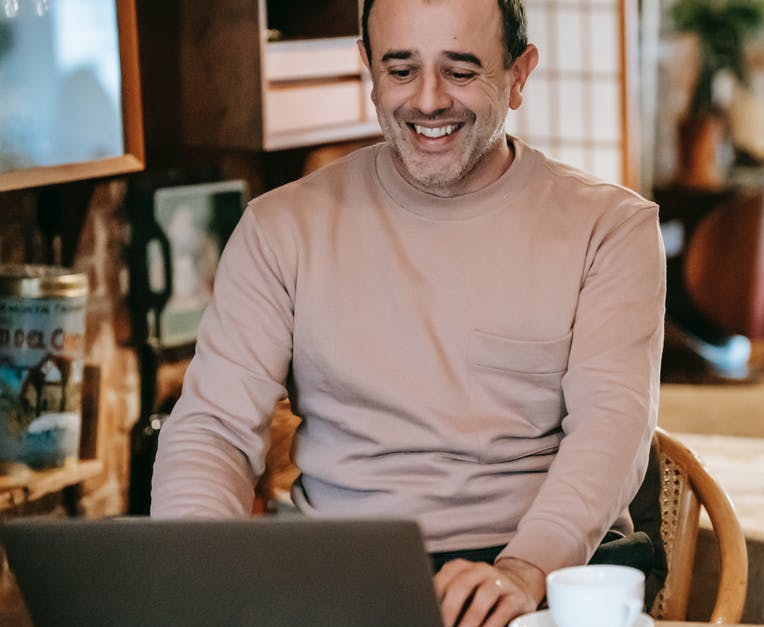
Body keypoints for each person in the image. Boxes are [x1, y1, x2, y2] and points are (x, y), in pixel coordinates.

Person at [149, 0, 666, 625]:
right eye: (400, 70)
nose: (427, 101)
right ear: (367, 69)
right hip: (342, 576)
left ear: (519, 74)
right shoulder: (280, 227)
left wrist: (524, 571)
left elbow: (614, 426)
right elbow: (213, 430)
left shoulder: (610, 228)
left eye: (461, 70)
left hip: (544, 573)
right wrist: (190, 579)